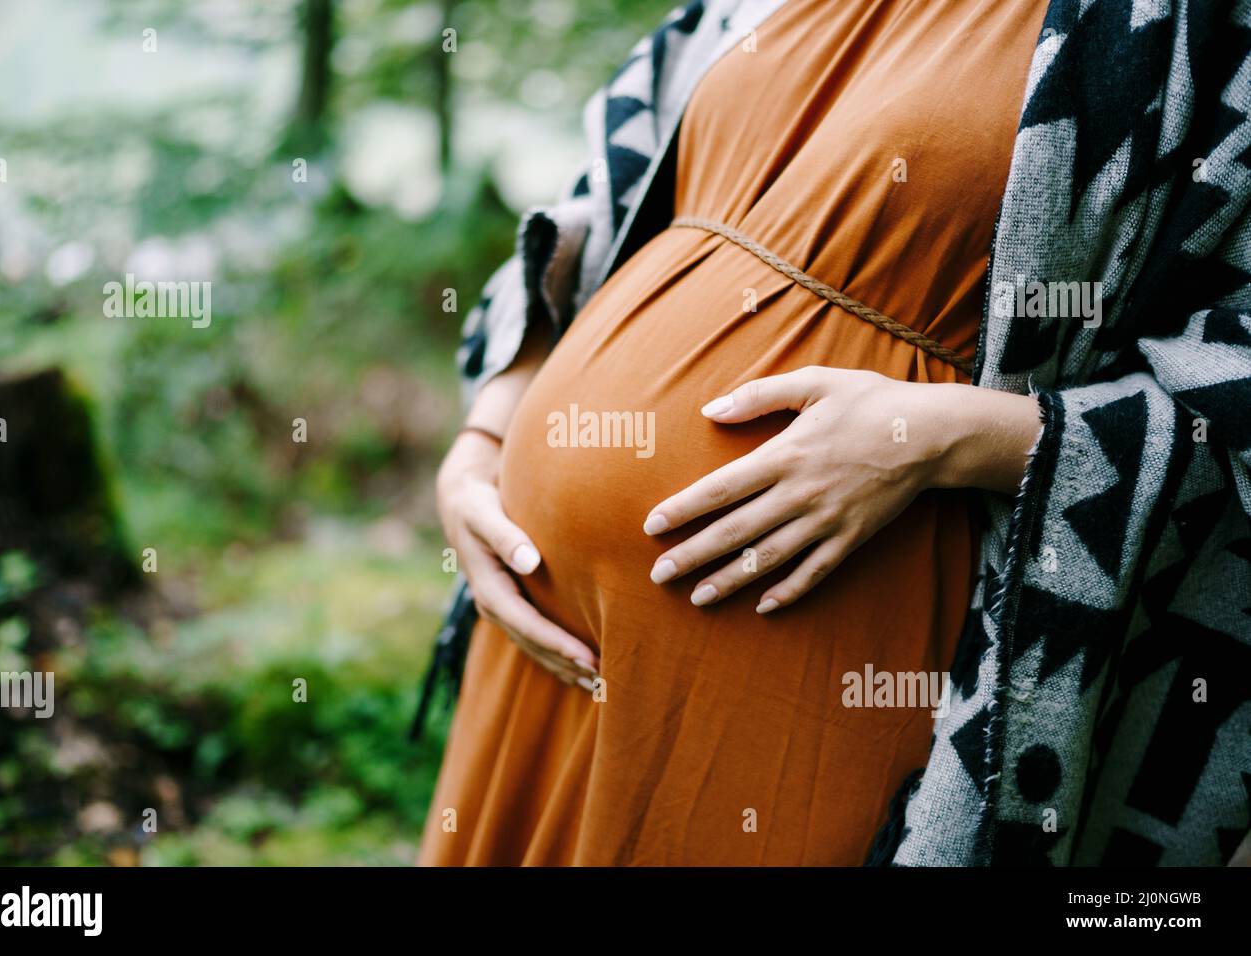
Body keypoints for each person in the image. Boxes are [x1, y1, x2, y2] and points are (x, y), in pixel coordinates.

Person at [418, 0, 1251, 866]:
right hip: (536, 635)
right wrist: (486, 436)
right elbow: (605, 195)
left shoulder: (1200, 29)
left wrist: (940, 437)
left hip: (818, 652)